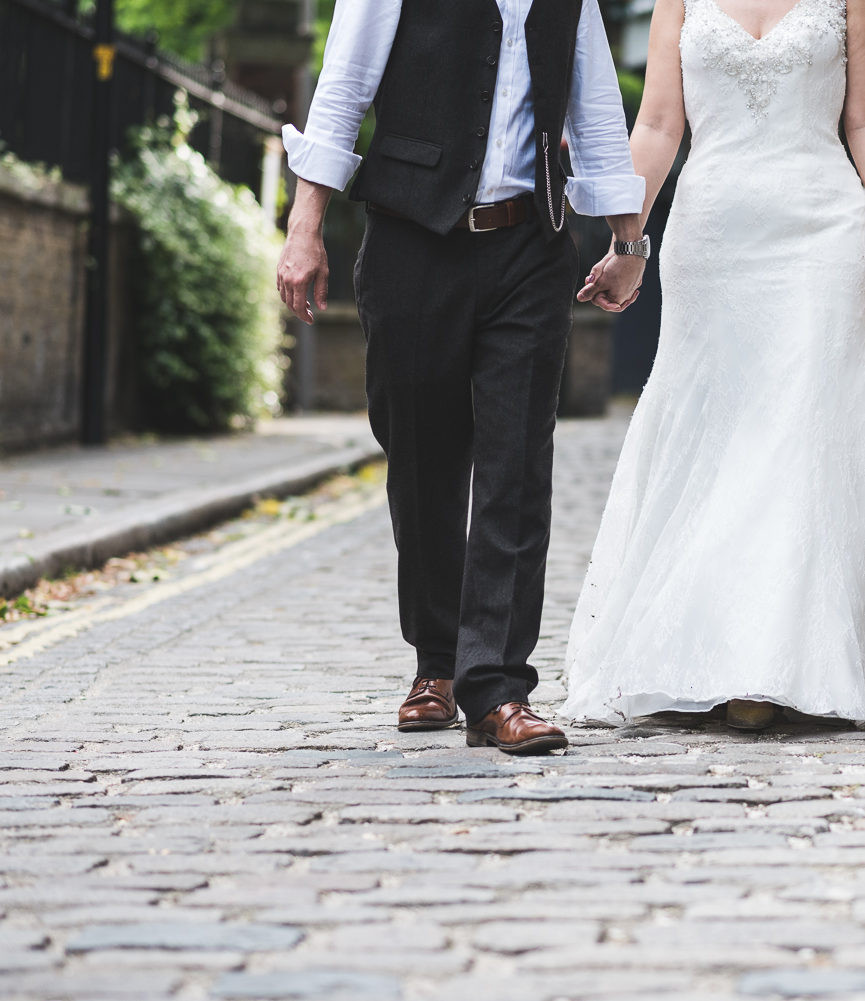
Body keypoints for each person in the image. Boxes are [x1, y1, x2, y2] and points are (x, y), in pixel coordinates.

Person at [561, 0, 865, 729]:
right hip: (712, 235)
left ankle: (774, 657)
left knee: (801, 427)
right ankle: (709, 641)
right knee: (717, 432)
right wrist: (628, 243)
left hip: (819, 228)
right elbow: (661, 125)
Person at [277, 0, 650, 755]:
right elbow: (345, 83)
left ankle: (499, 686)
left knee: (517, 464)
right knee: (420, 457)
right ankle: (437, 661)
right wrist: (304, 223)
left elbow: (598, 104)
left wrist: (628, 238)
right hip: (413, 238)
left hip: (529, 245)